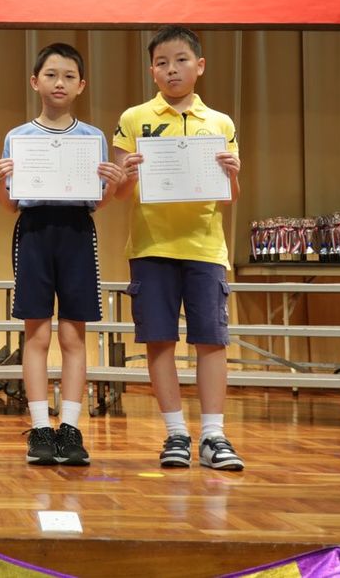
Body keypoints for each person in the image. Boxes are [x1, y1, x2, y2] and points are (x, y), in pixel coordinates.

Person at [111, 26, 244, 471]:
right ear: (152, 70)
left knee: (211, 340)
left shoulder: (219, 123)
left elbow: (230, 197)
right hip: (151, 246)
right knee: (159, 340)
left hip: (205, 247)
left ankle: (213, 435)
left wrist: (232, 173)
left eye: (181, 60)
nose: (172, 69)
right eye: (162, 62)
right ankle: (175, 433)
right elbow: (119, 193)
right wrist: (127, 174)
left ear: (199, 66)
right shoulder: (134, 119)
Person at [0, 43, 123, 467]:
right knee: (36, 334)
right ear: (35, 82)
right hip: (33, 231)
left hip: (77, 232)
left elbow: (98, 202)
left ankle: (69, 427)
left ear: (81, 85)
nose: (59, 83)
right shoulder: (18, 137)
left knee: (72, 334)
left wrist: (112, 185)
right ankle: (39, 427)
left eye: (68, 76)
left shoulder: (92, 138)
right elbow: (10, 204)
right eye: (51, 75)